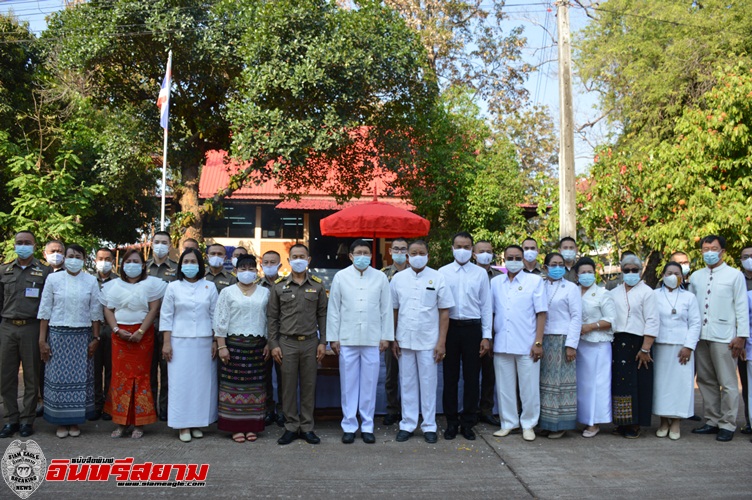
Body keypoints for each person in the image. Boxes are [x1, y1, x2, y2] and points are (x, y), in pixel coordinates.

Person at [328, 240, 393, 444]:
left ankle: (367, 425)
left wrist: (386, 337)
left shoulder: (380, 277)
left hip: (373, 339)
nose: (362, 256)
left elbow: (386, 309)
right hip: (346, 339)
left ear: (371, 256)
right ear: (350, 255)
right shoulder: (341, 277)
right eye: (358, 252)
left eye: (366, 252)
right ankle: (349, 425)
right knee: (348, 385)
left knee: (369, 384)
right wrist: (333, 338)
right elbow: (334, 309)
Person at [391, 240, 454, 444]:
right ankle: (408, 424)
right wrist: (393, 338)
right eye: (414, 253)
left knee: (428, 384)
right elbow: (394, 310)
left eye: (422, 252)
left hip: (429, 341)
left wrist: (441, 342)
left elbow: (445, 312)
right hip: (404, 340)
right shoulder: (398, 279)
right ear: (408, 256)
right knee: (407, 383)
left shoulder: (438, 277)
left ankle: (429, 425)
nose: (418, 256)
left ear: (428, 255)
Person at [100, 248, 167, 439]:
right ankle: (121, 422)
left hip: (143, 336)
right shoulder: (112, 285)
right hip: (119, 336)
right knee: (120, 377)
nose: (132, 265)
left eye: (136, 262)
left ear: (143, 265)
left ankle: (140, 423)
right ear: (122, 265)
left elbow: (154, 310)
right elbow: (108, 310)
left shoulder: (152, 284)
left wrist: (140, 331)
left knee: (141, 377)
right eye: (128, 262)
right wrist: (115, 330)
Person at [37, 243, 102, 438]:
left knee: (80, 381)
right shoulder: (53, 279)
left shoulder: (90, 281)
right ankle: (60, 422)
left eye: (78, 256)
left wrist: (96, 338)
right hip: (58, 335)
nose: (73, 259)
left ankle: (75, 421)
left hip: (82, 336)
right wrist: (42, 340)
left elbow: (95, 311)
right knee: (58, 381)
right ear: (65, 258)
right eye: (70, 255)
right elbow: (45, 310)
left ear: (83, 259)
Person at [689, 235, 749, 442]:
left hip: (724, 337)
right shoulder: (696, 276)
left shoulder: (734, 276)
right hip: (700, 336)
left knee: (728, 382)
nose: (709, 252)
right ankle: (712, 420)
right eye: (705, 249)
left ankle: (728, 423)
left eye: (714, 248)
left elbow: (741, 307)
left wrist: (741, 336)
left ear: (723, 251)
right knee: (706, 380)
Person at [267, 244, 328, 445]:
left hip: (311, 343)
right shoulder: (279, 286)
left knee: (309, 386)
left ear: (309, 260)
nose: (298, 259)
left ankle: (307, 427)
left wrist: (322, 342)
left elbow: (323, 315)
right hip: (286, 343)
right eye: (295, 256)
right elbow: (272, 318)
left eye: (302, 256)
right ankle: (291, 426)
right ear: (288, 260)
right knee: (288, 387)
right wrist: (274, 343)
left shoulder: (318, 286)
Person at [160, 248, 218, 443]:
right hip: (179, 342)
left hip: (203, 342)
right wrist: (167, 343)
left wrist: (215, 341)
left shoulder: (209, 287)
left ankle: (197, 423)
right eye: (186, 261)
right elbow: (166, 315)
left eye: (194, 262)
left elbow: (214, 316)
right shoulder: (173, 287)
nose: (190, 265)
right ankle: (182, 425)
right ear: (181, 265)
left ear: (200, 265)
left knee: (202, 385)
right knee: (180, 384)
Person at [490, 245, 547, 442]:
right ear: (504, 259)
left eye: (517, 257)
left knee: (529, 387)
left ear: (523, 259)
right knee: (504, 387)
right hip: (501, 343)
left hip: (527, 343)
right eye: (509, 257)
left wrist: (538, 341)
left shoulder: (535, 281)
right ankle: (508, 422)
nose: (513, 261)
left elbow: (541, 313)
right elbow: (491, 312)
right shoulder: (496, 282)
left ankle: (528, 424)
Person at [438, 232, 492, 441]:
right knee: (450, 377)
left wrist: (485, 336)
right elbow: (438, 306)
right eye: (459, 246)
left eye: (467, 247)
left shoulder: (480, 274)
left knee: (471, 378)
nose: (463, 250)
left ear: (472, 250)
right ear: (452, 248)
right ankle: (451, 422)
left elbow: (486, 307)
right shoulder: (442, 272)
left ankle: (469, 422)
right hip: (450, 328)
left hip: (472, 329)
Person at [214, 254, 271, 443]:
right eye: (243, 268)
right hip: (233, 347)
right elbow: (220, 321)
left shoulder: (265, 293)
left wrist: (270, 343)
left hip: (257, 348)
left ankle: (251, 426)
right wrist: (221, 346)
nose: (247, 272)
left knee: (255, 388)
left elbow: (270, 321)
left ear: (256, 271)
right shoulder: (227, 292)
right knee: (233, 387)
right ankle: (235, 427)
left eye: (251, 269)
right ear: (236, 271)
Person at [0, 231, 51, 438]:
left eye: (27, 243)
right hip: (7, 327)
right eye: (19, 242)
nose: (23, 246)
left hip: (32, 327)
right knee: (6, 376)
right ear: (14, 245)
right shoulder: (4, 270)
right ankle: (11, 419)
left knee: (31, 376)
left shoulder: (45, 272)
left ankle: (27, 420)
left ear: (34, 245)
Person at [610, 254, 659, 439]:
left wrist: (646, 348)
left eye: (634, 270)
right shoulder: (614, 292)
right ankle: (622, 422)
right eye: (626, 270)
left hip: (639, 344)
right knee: (620, 384)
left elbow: (653, 320)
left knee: (638, 384)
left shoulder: (647, 292)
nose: (630, 273)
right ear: (621, 271)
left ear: (640, 270)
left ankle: (636, 423)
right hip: (618, 342)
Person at [652, 262, 700, 440]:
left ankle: (677, 421)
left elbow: (695, 323)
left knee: (680, 385)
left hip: (682, 348)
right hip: (660, 345)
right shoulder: (654, 295)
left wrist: (688, 346)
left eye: (677, 273)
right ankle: (663, 421)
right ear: (663, 275)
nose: (673, 276)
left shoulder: (689, 297)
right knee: (662, 385)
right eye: (669, 273)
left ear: (682, 276)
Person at [539, 252, 582, 438]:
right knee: (544, 383)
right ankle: (544, 422)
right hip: (542, 339)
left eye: (561, 264)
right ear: (545, 267)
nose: (558, 268)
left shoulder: (571, 288)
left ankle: (559, 425)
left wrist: (571, 345)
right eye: (553, 264)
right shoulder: (539, 286)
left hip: (562, 340)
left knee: (560, 384)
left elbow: (576, 317)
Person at [575, 257, 615, 438]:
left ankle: (594, 422)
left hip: (598, 344)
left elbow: (611, 319)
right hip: (578, 345)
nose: (586, 275)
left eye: (589, 272)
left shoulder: (602, 293)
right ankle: (581, 418)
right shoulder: (573, 291)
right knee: (582, 385)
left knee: (597, 385)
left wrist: (590, 327)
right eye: (582, 272)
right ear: (576, 275)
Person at [146, 230, 177, 422]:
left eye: (164, 242)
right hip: (146, 325)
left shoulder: (177, 269)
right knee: (148, 370)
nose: (160, 245)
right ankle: (148, 409)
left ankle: (165, 408)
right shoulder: (142, 268)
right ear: (151, 243)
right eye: (157, 241)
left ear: (170, 245)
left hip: (169, 327)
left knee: (167, 370)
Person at [473, 240, 501, 426]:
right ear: (474, 254)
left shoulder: (499, 277)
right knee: (471, 373)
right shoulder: (470, 274)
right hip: (472, 328)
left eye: (489, 251)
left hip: (494, 330)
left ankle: (486, 409)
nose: (485, 254)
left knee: (490, 373)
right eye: (481, 251)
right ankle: (471, 409)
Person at [381, 238, 409, 426]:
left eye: (403, 249)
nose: (399, 252)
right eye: (396, 249)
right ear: (390, 251)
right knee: (391, 375)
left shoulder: (416, 273)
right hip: (390, 331)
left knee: (410, 376)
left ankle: (409, 411)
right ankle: (392, 409)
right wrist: (387, 335)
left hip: (411, 331)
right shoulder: (382, 275)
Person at [257, 250, 285, 427]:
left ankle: (283, 410)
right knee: (264, 376)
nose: (269, 265)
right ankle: (267, 409)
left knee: (284, 377)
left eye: (272, 262)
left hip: (282, 338)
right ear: (261, 265)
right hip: (261, 338)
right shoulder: (255, 286)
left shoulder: (286, 284)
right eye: (265, 262)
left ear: (280, 265)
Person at [93, 247, 118, 421]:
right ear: (95, 261)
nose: (104, 262)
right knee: (94, 369)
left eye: (108, 259)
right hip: (93, 329)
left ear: (113, 262)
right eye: (100, 258)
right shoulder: (88, 280)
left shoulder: (119, 281)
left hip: (112, 329)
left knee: (111, 368)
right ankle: (95, 404)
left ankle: (109, 406)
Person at [738, 245, 752, 434]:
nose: (749, 258)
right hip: (744, 343)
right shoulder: (738, 280)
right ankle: (750, 422)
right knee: (748, 385)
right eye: (745, 256)